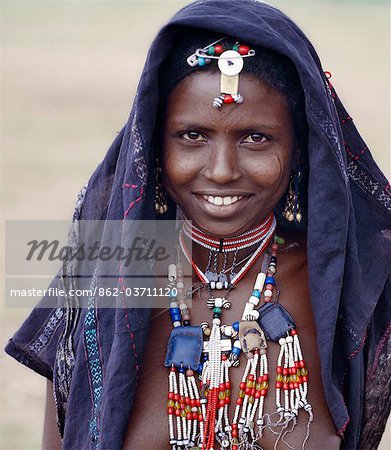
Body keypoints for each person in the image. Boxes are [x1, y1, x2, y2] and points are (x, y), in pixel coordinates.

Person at [5, 1, 390, 449]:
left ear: (302, 149)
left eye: (256, 138)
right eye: (192, 136)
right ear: (151, 147)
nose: (222, 171)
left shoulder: (353, 285)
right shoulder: (105, 271)